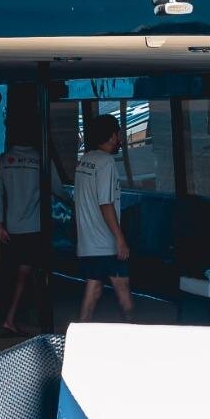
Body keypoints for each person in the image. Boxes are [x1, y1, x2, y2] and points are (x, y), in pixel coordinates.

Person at [74, 113, 136, 321]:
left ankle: (80, 333)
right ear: (111, 137)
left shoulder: (85, 160)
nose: (120, 138)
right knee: (123, 293)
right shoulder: (106, 162)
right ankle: (133, 334)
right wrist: (120, 239)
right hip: (105, 243)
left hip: (88, 241)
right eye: (118, 134)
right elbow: (106, 204)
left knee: (93, 289)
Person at [0, 122, 47, 334]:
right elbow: (57, 188)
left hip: (10, 228)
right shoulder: (40, 158)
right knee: (30, 274)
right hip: (35, 226)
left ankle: (18, 316)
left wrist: (0, 224)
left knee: (16, 274)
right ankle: (17, 318)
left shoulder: (3, 160)